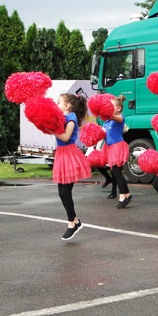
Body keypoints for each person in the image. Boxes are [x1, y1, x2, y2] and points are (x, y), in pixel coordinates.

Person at [51, 93, 93, 240]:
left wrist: (51, 129)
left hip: (69, 154)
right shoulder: (64, 118)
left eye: (59, 102)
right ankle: (75, 221)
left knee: (65, 192)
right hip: (62, 154)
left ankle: (72, 223)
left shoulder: (71, 118)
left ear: (67, 105)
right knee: (62, 192)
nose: (57, 105)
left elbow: (65, 137)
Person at [101, 95, 133, 208]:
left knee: (116, 172)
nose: (109, 108)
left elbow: (116, 118)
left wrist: (104, 112)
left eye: (111, 106)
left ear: (118, 108)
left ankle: (123, 195)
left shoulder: (120, 118)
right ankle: (126, 194)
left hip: (117, 147)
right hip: (109, 148)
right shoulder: (107, 122)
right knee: (115, 172)